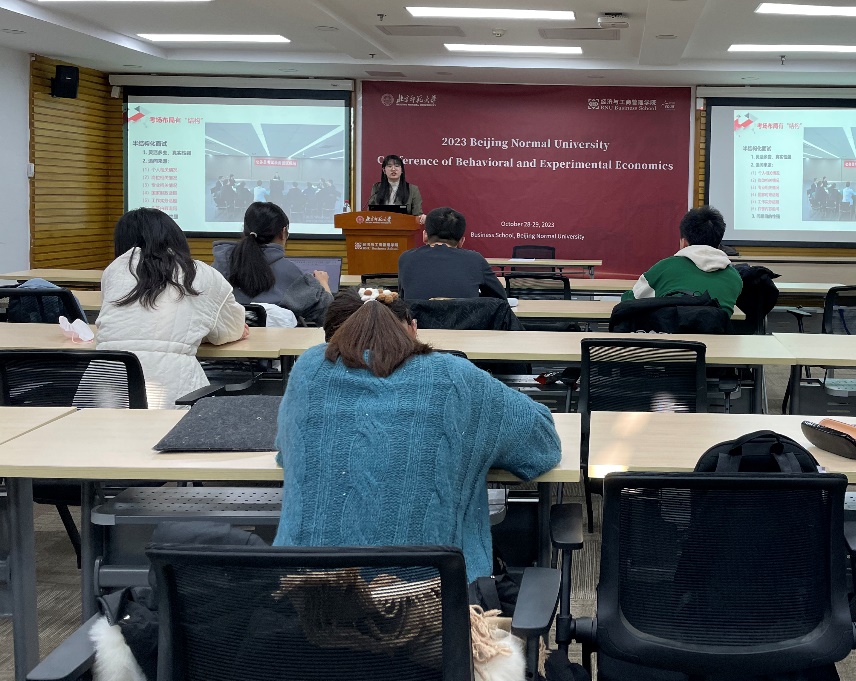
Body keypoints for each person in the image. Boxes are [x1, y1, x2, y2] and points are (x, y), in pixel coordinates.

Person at [273, 289, 561, 581]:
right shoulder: (454, 376)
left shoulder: (308, 369)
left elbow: (288, 453)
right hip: (431, 599)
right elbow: (543, 446)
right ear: (412, 329)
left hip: (303, 593)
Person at [95, 208, 248, 409]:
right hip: (173, 396)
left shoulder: (113, 271)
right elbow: (231, 329)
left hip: (103, 392)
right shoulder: (200, 273)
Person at [212, 201, 333, 325]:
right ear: (283, 232)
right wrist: (323, 283)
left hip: (226, 337)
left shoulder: (217, 269)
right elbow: (329, 315)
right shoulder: (291, 273)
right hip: (278, 338)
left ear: (245, 230)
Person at [620, 205, 743, 315]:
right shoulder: (734, 278)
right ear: (719, 243)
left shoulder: (664, 268)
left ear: (683, 243)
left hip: (668, 333)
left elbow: (630, 300)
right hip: (715, 334)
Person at [396, 206, 506, 300]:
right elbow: (500, 300)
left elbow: (403, 299)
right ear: (461, 241)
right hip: (465, 319)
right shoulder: (475, 260)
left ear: (425, 236)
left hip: (416, 319)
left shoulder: (406, 259)